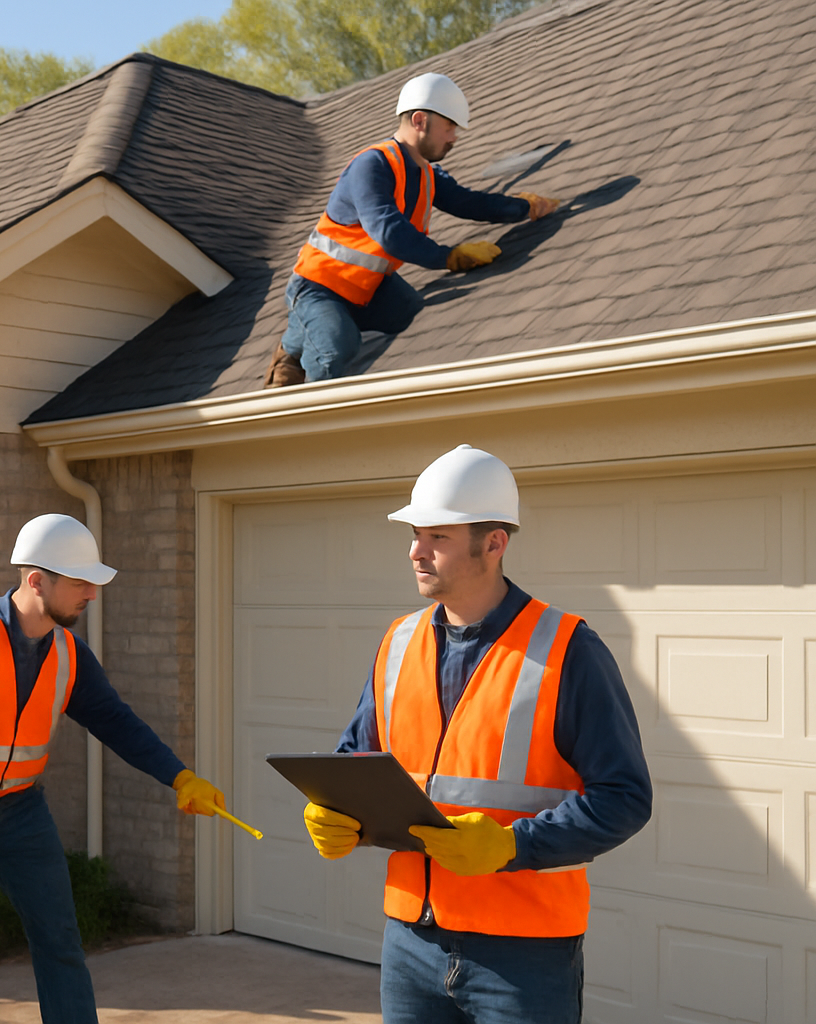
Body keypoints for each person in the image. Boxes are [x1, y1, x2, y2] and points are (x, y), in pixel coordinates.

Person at [303, 444, 651, 1024]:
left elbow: (625, 799)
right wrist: (336, 813)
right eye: (414, 534)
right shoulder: (397, 642)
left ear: (494, 543)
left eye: (436, 537)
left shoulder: (569, 649)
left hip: (524, 953)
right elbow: (355, 759)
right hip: (411, 941)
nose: (415, 552)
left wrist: (514, 845)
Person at [0, 514, 226, 1024]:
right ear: (36, 580)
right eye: (81, 583)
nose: (92, 595)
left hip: (22, 815)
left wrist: (180, 776)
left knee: (60, 943)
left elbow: (116, 722)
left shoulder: (68, 654)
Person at [264, 74, 562, 387]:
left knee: (408, 311)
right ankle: (299, 387)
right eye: (449, 127)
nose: (454, 137)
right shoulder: (372, 166)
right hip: (318, 286)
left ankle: (309, 333)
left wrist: (523, 207)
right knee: (338, 347)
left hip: (366, 287)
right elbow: (388, 231)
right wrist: (448, 257)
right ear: (420, 120)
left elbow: (467, 202)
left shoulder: (427, 175)